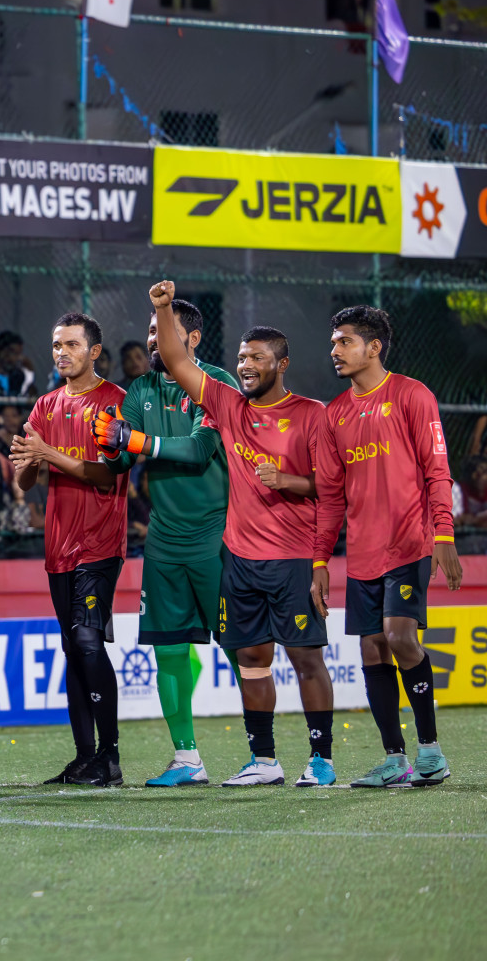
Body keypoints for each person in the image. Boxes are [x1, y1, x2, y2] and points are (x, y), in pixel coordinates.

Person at [147, 280, 335, 788]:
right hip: (240, 560)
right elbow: (175, 357)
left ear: (282, 363)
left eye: (256, 357)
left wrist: (289, 482)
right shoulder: (229, 406)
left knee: (305, 659)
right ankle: (265, 761)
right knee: (252, 660)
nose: (246, 365)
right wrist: (163, 308)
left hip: (293, 558)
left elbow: (334, 486)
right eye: (241, 357)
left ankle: (320, 761)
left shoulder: (311, 414)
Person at [313, 306, 462, 787]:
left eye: (344, 341)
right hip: (363, 555)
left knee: (399, 637)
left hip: (409, 542)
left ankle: (431, 752)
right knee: (372, 650)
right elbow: (330, 496)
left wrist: (444, 534)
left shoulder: (412, 396)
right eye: (333, 342)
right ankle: (395, 760)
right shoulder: (334, 414)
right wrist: (320, 559)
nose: (335, 350)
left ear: (373, 347)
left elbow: (438, 472)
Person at [90, 299, 237, 787]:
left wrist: (135, 441)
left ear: (191, 339)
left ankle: (265, 753)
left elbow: (198, 450)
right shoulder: (142, 388)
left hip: (218, 536)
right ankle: (188, 759)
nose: (153, 340)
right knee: (168, 651)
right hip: (165, 542)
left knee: (242, 647)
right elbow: (120, 460)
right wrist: (108, 441)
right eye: (151, 331)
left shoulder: (219, 384)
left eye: (164, 332)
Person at [9, 314, 129, 788]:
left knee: (85, 641)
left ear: (94, 352)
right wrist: (26, 460)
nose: (62, 352)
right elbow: (24, 479)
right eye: (57, 344)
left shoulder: (116, 402)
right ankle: (84, 758)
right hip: (59, 546)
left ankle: (111, 756)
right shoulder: (45, 405)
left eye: (72, 345)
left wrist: (47, 454)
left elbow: (108, 474)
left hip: (100, 543)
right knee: (73, 650)